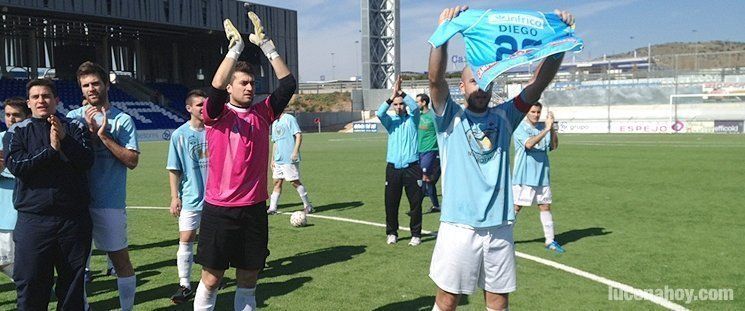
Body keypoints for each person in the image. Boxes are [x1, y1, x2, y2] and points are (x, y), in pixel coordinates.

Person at [426, 6, 574, 311]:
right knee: (448, 300)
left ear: (493, 83)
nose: (480, 88)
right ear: (462, 87)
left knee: (497, 301)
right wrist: (442, 34)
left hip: (500, 227)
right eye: (473, 82)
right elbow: (434, 81)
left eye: (485, 81)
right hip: (459, 227)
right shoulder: (449, 117)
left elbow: (538, 84)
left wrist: (558, 45)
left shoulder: (506, 116)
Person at [193, 13, 296, 310]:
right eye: (243, 83)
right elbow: (213, 87)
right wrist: (235, 50)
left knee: (248, 279)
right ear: (230, 87)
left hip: (253, 209)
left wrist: (267, 46)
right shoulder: (217, 114)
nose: (249, 87)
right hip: (219, 210)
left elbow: (288, 85)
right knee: (211, 279)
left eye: (252, 82)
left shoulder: (264, 113)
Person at [4, 78, 93, 309]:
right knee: (31, 285)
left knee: (72, 288)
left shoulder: (75, 127)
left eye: (46, 96)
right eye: (36, 97)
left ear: (56, 100)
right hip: (34, 221)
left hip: (73, 221)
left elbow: (86, 161)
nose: (41, 100)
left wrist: (64, 140)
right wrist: (51, 150)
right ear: (29, 102)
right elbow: (17, 166)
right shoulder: (17, 131)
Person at [67, 61, 140, 310]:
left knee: (121, 262)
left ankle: (126, 309)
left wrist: (103, 136)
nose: (91, 88)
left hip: (109, 203)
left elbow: (132, 161)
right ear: (81, 89)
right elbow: (66, 160)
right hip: (76, 204)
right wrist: (86, 135)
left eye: (95, 83)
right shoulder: (71, 118)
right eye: (85, 85)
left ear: (106, 84)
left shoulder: (123, 120)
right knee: (75, 266)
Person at [166, 89, 209, 303]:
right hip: (191, 197)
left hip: (216, 198)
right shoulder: (179, 135)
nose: (204, 108)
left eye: (206, 104)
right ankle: (184, 284)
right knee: (186, 238)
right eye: (199, 104)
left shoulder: (214, 130)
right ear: (189, 108)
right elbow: (174, 169)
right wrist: (175, 197)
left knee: (216, 241)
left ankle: (211, 279)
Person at [376, 77, 424, 246]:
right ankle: (392, 232)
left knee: (416, 203)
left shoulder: (413, 119)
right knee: (391, 202)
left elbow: (415, 107)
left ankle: (416, 234)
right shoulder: (390, 122)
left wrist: (401, 92)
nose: (398, 107)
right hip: (393, 168)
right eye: (395, 104)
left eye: (401, 104)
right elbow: (379, 113)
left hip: (412, 167)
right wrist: (391, 97)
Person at [512, 104, 564, 253]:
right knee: (516, 207)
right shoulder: (519, 127)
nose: (536, 114)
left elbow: (553, 146)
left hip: (542, 175)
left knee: (545, 206)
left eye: (538, 112)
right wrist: (546, 129)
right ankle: (503, 238)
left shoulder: (543, 127)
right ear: (527, 112)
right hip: (524, 176)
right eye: (533, 112)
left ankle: (550, 240)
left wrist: (551, 127)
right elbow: (529, 144)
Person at [0, 97, 31, 282]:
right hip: (3, 213)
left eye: (16, 115)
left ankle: (33, 289)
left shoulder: (33, 140)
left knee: (21, 261)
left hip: (22, 212)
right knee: (6, 262)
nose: (11, 119)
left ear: (27, 117)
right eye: (8, 114)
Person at [267, 110, 314, 214]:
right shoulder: (274, 123)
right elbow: (275, 142)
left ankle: (308, 205)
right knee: (277, 182)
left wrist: (295, 151)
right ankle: (272, 208)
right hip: (278, 159)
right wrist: (272, 159)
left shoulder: (289, 118)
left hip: (289, 158)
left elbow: (298, 135)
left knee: (294, 182)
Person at [416, 93, 441, 213]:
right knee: (428, 180)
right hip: (419, 151)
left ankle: (416, 208)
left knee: (424, 178)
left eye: (418, 102)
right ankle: (436, 205)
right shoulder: (418, 115)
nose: (417, 104)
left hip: (431, 151)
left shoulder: (433, 116)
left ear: (424, 102)